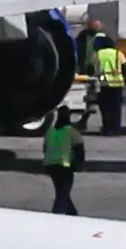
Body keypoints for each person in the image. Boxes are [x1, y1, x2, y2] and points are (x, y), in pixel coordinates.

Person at [40, 62, 87, 217]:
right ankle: (58, 216)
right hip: (64, 165)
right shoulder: (71, 131)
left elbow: (45, 148)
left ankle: (73, 214)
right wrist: (79, 164)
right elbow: (79, 149)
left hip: (50, 165)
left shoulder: (51, 131)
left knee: (61, 190)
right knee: (63, 192)